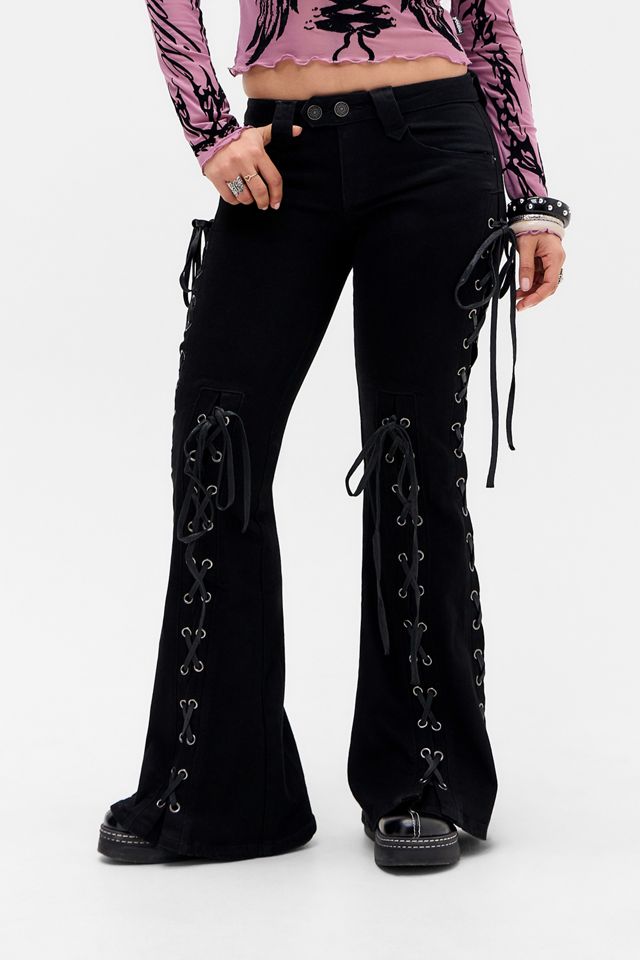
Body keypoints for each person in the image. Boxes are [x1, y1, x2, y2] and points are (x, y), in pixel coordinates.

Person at [98, 0, 569, 869]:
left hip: (435, 145)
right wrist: (209, 130)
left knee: (410, 452)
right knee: (217, 444)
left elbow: (485, 16)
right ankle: (221, 790)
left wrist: (532, 196)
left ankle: (423, 777)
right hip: (278, 151)